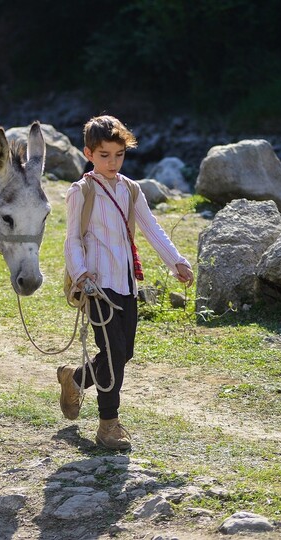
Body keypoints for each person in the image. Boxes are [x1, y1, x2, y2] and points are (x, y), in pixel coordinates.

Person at [58, 115, 194, 450]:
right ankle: (108, 426)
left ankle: (75, 378)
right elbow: (72, 240)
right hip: (97, 285)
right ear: (89, 153)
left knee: (124, 353)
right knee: (114, 352)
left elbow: (152, 228)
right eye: (104, 155)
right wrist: (81, 273)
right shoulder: (82, 191)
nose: (112, 162)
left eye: (118, 154)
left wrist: (176, 260)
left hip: (127, 284)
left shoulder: (131, 189)